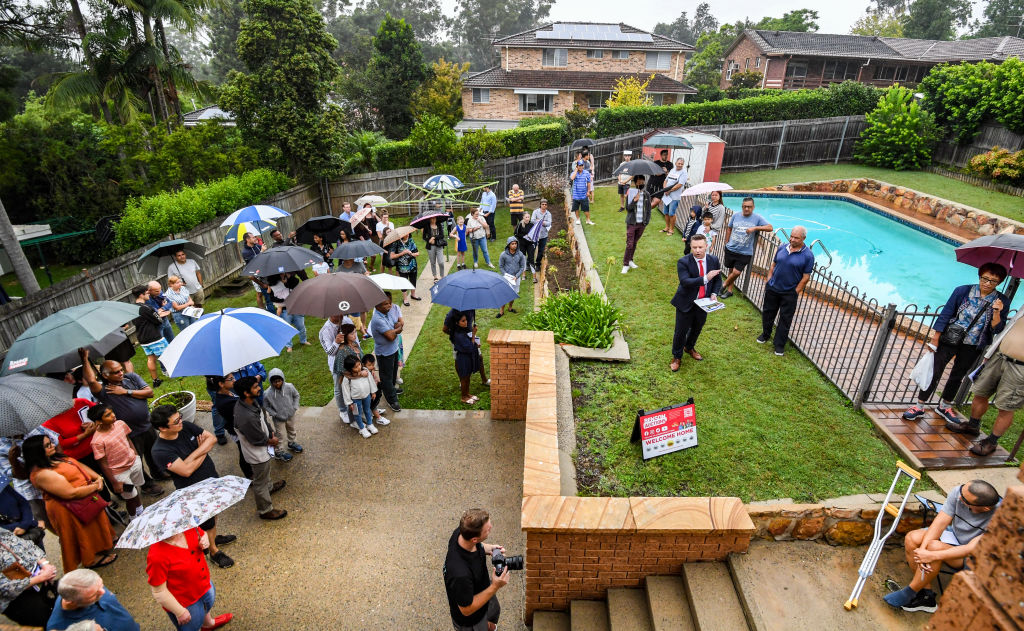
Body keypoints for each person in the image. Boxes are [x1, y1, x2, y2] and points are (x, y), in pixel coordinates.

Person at [902, 263, 1008, 427]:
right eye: (985, 279)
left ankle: (945, 406)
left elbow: (997, 329)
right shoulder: (963, 291)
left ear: (999, 282)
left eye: (993, 281)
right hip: (949, 339)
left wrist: (997, 311)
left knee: (957, 376)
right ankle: (919, 405)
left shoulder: (1002, 301)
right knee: (935, 371)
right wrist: (935, 338)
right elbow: (947, 313)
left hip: (973, 345)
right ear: (980, 276)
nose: (987, 283)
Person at [883, 480, 1000, 613]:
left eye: (965, 500)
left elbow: (970, 549)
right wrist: (922, 550)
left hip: (971, 557)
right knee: (912, 538)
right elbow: (939, 524)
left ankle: (911, 590)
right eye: (961, 492)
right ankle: (926, 595)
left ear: (985, 508)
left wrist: (930, 554)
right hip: (953, 536)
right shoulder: (959, 492)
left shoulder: (999, 518)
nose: (959, 498)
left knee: (933, 547)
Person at [150, 405, 237, 568]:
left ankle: (212, 537)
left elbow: (211, 439)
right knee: (207, 521)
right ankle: (213, 551)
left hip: (211, 479)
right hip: (193, 491)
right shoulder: (160, 450)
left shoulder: (185, 426)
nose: (180, 422)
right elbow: (186, 471)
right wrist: (203, 450)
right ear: (162, 428)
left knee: (214, 512)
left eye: (180, 417)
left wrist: (195, 454)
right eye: (175, 421)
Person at [19, 435, 117, 571]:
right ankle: (90, 559)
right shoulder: (41, 474)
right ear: (37, 452)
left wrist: (97, 478)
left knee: (94, 525)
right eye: (47, 446)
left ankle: (103, 544)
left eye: (50, 443)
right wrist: (95, 486)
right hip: (67, 508)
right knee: (81, 533)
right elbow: (70, 493)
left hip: (86, 497)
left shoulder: (58, 458)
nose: (52, 446)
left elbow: (79, 465)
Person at [79, 349, 166, 494]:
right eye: (116, 372)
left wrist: (126, 391)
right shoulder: (104, 390)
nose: (121, 373)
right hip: (130, 432)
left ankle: (158, 472)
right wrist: (84, 359)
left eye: (121, 369)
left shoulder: (131, 378)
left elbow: (149, 392)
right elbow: (91, 380)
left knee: (153, 451)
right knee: (136, 459)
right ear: (105, 375)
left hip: (147, 424)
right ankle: (146, 485)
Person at [949, 306, 1024, 456]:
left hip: (1020, 368)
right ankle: (972, 425)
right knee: (980, 392)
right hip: (999, 357)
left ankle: (992, 442)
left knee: (1006, 406)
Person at [146, 526, 233, 631]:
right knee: (192, 626)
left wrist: (205, 539)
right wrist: (179, 612)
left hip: (204, 584)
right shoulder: (156, 556)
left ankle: (207, 624)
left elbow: (202, 533)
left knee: (207, 605)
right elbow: (159, 592)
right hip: (185, 602)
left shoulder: (189, 527)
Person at [443, 508, 509, 631]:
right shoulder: (460, 574)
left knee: (492, 616)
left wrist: (489, 548)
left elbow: (477, 544)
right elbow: (466, 610)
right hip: (471, 621)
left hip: (481, 590)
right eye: (488, 529)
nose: (491, 527)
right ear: (474, 539)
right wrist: (495, 586)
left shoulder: (461, 533)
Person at [232, 377, 287, 520]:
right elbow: (257, 439)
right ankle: (266, 510)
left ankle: (269, 488)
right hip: (257, 454)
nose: (259, 388)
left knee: (264, 474)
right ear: (246, 392)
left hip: (262, 450)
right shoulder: (245, 417)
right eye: (256, 387)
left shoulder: (250, 402)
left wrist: (270, 430)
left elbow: (262, 417)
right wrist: (272, 440)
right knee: (260, 481)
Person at [759, 226, 814, 357]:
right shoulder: (782, 248)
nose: (792, 239)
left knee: (785, 319)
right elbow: (773, 265)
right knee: (768, 313)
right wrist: (769, 280)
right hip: (773, 288)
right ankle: (765, 335)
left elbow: (806, 277)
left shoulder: (808, 255)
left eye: (796, 238)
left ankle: (779, 344)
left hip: (789, 293)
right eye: (791, 236)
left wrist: (795, 292)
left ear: (803, 238)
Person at [669, 234, 722, 370]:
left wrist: (714, 293)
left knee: (697, 328)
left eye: (700, 247)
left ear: (706, 246)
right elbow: (685, 281)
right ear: (690, 247)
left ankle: (689, 347)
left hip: (704, 303)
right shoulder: (683, 262)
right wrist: (705, 278)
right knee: (680, 331)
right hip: (686, 302)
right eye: (694, 247)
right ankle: (677, 356)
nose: (697, 250)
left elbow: (717, 280)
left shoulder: (714, 260)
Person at [87, 404, 146, 519]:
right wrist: (114, 482)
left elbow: (128, 439)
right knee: (130, 497)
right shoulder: (97, 441)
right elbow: (102, 463)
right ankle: (133, 518)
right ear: (98, 421)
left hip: (134, 463)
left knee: (135, 490)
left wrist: (136, 455)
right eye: (108, 415)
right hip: (119, 473)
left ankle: (140, 510)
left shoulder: (120, 424)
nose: (113, 415)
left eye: (112, 412)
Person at [47, 569, 139, 631]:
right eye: (94, 595)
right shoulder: (58, 627)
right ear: (72, 602)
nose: (103, 592)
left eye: (102, 586)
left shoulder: (90, 586)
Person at [0, 526, 56, 626]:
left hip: (40, 576)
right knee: (47, 620)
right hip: (15, 597)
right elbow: (4, 588)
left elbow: (28, 545)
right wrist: (40, 578)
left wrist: (45, 565)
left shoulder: (2, 532)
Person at [719, 197, 772, 299]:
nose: (747, 209)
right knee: (731, 271)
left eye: (749, 207)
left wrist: (755, 228)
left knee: (736, 272)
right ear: (742, 206)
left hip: (745, 252)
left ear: (753, 207)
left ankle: (723, 285)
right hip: (731, 248)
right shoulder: (735, 215)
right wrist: (726, 242)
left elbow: (770, 227)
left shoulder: (757, 218)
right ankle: (729, 291)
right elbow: (729, 228)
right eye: (745, 206)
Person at [209, 374, 253, 479]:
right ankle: (249, 475)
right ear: (221, 384)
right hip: (238, 431)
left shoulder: (230, 393)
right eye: (231, 379)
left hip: (239, 428)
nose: (235, 380)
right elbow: (241, 416)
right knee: (244, 451)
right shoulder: (224, 402)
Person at [369, 293, 404, 413]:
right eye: (386, 304)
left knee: (393, 372)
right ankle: (391, 399)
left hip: (393, 349)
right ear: (377, 306)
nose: (389, 305)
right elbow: (391, 336)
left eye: (389, 303)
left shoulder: (386, 313)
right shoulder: (377, 319)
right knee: (386, 377)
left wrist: (396, 329)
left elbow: (397, 324)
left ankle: (391, 389)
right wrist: (397, 330)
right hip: (384, 353)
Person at [319, 315, 354, 423]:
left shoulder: (347, 320)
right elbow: (330, 352)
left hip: (350, 361)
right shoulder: (325, 330)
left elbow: (354, 338)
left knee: (353, 386)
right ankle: (343, 411)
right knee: (339, 389)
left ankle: (354, 407)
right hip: (336, 365)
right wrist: (336, 342)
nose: (339, 314)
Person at [132, 285, 169, 386]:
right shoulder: (146, 307)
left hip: (142, 338)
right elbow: (158, 320)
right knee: (167, 354)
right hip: (153, 337)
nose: (149, 294)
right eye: (147, 293)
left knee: (151, 358)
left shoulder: (132, 308)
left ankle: (155, 380)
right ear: (141, 294)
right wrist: (161, 314)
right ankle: (174, 373)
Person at [267, 272, 309, 352]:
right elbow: (272, 298)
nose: (282, 274)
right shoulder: (273, 284)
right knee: (286, 328)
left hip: (296, 307)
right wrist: (285, 299)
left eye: (283, 273)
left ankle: (303, 340)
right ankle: (289, 346)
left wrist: (287, 280)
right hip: (285, 309)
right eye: (280, 274)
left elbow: (297, 284)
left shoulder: (291, 280)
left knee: (301, 325)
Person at [264, 369, 303, 456]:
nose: (277, 383)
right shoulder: (267, 393)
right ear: (271, 382)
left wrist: (294, 407)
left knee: (291, 429)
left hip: (290, 414)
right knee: (280, 435)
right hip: (278, 418)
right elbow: (266, 405)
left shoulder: (289, 387)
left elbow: (296, 395)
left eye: (279, 381)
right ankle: (279, 451)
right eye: (274, 382)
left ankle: (291, 443)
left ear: (283, 379)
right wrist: (274, 414)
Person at [448, 312, 484, 405]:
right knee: (464, 378)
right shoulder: (458, 335)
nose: (466, 322)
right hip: (463, 359)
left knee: (468, 377)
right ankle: (463, 397)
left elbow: (470, 344)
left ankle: (467, 394)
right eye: (463, 321)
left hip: (467, 357)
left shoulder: (462, 331)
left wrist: (476, 344)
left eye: (466, 320)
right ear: (457, 323)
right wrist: (473, 335)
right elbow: (468, 348)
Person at [341, 356, 382, 438]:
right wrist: (349, 403)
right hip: (355, 399)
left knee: (367, 410)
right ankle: (362, 428)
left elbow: (370, 381)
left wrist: (373, 392)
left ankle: (370, 424)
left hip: (367, 396)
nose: (359, 367)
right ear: (350, 369)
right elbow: (345, 391)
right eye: (355, 367)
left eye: (359, 364)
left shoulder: (365, 371)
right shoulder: (347, 378)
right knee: (357, 414)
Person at [0, 477, 45, 548]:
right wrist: (16, 528)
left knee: (41, 557)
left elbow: (24, 504)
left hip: (29, 532)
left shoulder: (2, 484)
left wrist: (24, 525)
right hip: (8, 543)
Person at [622, 175, 652, 275]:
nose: (641, 184)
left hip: (641, 224)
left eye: (642, 181)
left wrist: (646, 222)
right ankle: (625, 264)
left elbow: (648, 209)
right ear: (635, 183)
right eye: (638, 182)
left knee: (634, 243)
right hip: (632, 223)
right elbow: (628, 208)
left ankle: (630, 260)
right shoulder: (631, 193)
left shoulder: (647, 194)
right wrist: (634, 201)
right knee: (629, 244)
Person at [496, 237, 526, 319]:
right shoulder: (503, 255)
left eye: (515, 243)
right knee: (505, 295)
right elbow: (501, 266)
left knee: (513, 294)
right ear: (508, 245)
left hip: (516, 278)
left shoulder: (520, 254)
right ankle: (501, 311)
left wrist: (517, 276)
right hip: (507, 278)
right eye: (512, 244)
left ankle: (510, 308)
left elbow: (522, 266)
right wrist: (506, 275)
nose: (514, 245)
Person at [390, 231, 421, 305]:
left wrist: (413, 254)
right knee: (404, 282)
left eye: (407, 233)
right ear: (401, 235)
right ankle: (405, 299)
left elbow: (418, 252)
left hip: (412, 265)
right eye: (405, 234)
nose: (407, 235)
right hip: (402, 267)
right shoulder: (396, 243)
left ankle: (413, 295)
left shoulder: (411, 241)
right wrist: (402, 253)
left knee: (413, 280)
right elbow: (392, 256)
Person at [660, 157, 687, 235]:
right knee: (666, 212)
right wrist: (665, 189)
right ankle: (667, 227)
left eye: (682, 164)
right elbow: (666, 180)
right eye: (679, 163)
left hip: (675, 196)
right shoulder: (672, 170)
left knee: (672, 213)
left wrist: (669, 190)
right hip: (667, 195)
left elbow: (680, 184)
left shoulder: (684, 173)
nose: (680, 165)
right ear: (675, 163)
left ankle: (671, 229)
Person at [529, 200, 552, 273]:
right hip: (535, 234)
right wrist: (541, 222)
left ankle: (538, 264)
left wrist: (541, 221)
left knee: (541, 251)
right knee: (532, 249)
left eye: (545, 204)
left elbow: (549, 223)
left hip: (543, 235)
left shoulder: (548, 214)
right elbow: (532, 220)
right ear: (540, 205)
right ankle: (529, 263)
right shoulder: (536, 212)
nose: (544, 205)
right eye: (543, 204)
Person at [569, 160, 594, 225]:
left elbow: (588, 182)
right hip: (576, 194)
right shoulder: (574, 173)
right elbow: (572, 178)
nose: (581, 167)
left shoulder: (586, 173)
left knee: (586, 208)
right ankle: (578, 219)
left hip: (584, 194)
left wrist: (588, 191)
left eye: (582, 165)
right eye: (579, 165)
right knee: (576, 208)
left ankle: (588, 220)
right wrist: (576, 171)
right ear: (577, 166)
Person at [513, 211, 536, 281]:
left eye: (528, 217)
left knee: (531, 259)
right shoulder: (520, 224)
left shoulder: (532, 224)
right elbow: (515, 234)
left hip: (530, 244)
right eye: (526, 217)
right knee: (523, 259)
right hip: (522, 244)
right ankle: (523, 275)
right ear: (523, 217)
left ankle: (534, 277)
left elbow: (535, 234)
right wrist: (523, 236)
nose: (527, 218)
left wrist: (531, 239)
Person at [423, 217, 447, 282]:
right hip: (430, 247)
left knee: (441, 262)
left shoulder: (438, 224)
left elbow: (442, 235)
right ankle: (435, 277)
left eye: (435, 219)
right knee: (433, 262)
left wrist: (434, 237)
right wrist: (429, 240)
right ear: (430, 219)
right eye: (432, 219)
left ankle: (442, 276)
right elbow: (424, 237)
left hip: (439, 246)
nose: (434, 220)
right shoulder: (427, 226)